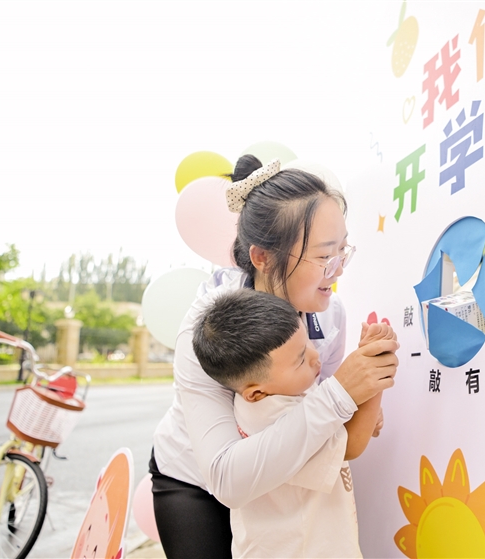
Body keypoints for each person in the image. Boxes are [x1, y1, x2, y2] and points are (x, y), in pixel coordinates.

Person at [149, 155, 399, 559]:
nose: (338, 271)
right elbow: (227, 478)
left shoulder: (330, 314)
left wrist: (361, 396)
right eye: (324, 257)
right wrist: (341, 394)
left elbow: (323, 412)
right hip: (197, 481)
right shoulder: (210, 326)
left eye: (342, 251)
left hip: (277, 483)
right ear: (262, 257)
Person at [192, 289, 391, 558]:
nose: (315, 357)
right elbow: (351, 444)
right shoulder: (270, 413)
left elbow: (337, 427)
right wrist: (374, 375)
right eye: (300, 360)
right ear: (256, 392)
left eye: (307, 342)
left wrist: (364, 414)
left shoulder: (285, 389)